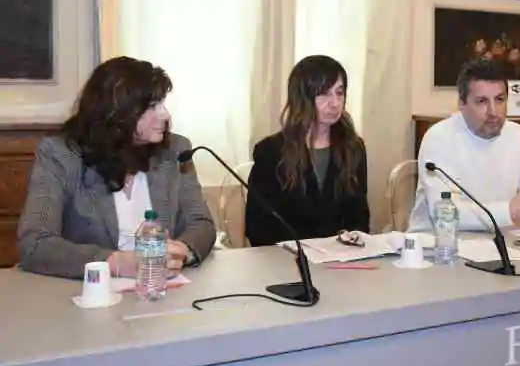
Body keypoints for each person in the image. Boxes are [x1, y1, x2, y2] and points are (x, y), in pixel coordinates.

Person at [17, 56, 217, 279]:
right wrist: (115, 263)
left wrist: (182, 252)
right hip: (84, 292)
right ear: (117, 112)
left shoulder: (176, 149)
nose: (165, 115)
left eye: (162, 103)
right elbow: (35, 243)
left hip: (161, 290)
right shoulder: (61, 154)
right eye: (152, 106)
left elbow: (200, 223)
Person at [408, 59, 520, 232]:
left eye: (500, 99)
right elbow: (444, 212)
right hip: (439, 242)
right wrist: (510, 212)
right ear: (462, 104)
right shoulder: (439, 139)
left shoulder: (517, 137)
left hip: (502, 240)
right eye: (482, 101)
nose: (493, 111)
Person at [245, 55, 369, 246]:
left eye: (339, 93)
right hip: (286, 258)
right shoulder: (271, 152)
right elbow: (257, 227)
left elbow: (360, 218)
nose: (335, 103)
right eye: (324, 94)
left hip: (341, 258)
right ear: (302, 98)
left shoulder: (353, 148)